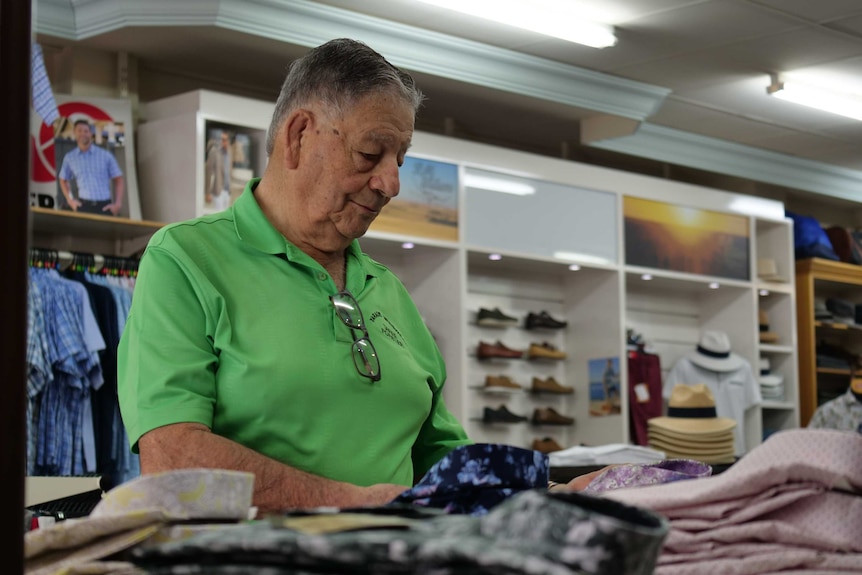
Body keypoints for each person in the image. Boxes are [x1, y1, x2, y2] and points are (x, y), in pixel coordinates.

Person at [117, 38, 594, 514]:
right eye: (371, 154)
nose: (392, 183)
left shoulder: (388, 290)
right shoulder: (185, 258)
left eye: (399, 159)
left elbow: (437, 457)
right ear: (299, 135)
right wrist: (353, 505)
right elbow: (173, 458)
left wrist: (544, 498)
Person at [58, 119, 125, 216]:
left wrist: (118, 203)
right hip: (83, 205)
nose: (83, 134)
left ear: (90, 133)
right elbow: (63, 179)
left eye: (86, 131)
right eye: (79, 131)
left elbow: (118, 179)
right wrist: (70, 200)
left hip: (104, 206)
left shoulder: (105, 155)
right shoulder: (70, 158)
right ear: (74, 133)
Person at [204, 128, 234, 210]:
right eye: (221, 139)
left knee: (226, 216)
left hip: (227, 191)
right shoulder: (214, 152)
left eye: (225, 139)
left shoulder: (230, 152)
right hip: (218, 190)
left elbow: (230, 170)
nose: (222, 142)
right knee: (219, 217)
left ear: (228, 141)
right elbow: (208, 172)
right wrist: (207, 193)